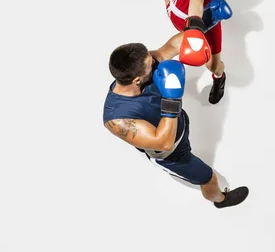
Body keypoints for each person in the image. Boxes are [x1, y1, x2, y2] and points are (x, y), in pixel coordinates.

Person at [103, 31, 249, 208]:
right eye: (150, 64)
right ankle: (221, 200)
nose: (155, 59)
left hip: (179, 125)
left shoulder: (145, 66)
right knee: (209, 178)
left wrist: (198, 27)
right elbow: (163, 142)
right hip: (171, 154)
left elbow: (174, 45)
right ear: (137, 80)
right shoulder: (117, 117)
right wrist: (172, 99)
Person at [160, 0, 236, 104]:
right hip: (185, 14)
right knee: (171, 10)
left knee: (214, 66)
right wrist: (194, 29)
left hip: (210, 14)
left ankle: (220, 77)